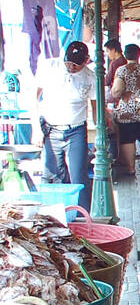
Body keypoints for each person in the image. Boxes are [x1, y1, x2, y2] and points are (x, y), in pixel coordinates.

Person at [35, 41, 96, 213]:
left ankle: (83, 216)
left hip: (76, 128)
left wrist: (100, 133)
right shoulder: (50, 68)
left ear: (86, 61)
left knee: (78, 174)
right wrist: (35, 127)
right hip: (51, 128)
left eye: (76, 64)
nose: (71, 67)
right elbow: (32, 96)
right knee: (53, 172)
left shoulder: (90, 77)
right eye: (68, 62)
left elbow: (96, 107)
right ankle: (54, 213)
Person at [110, 44, 140, 180]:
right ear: (139, 55)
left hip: (127, 111)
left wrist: (115, 94)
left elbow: (117, 90)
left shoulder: (122, 70)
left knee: (127, 139)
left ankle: (131, 168)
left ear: (125, 54)